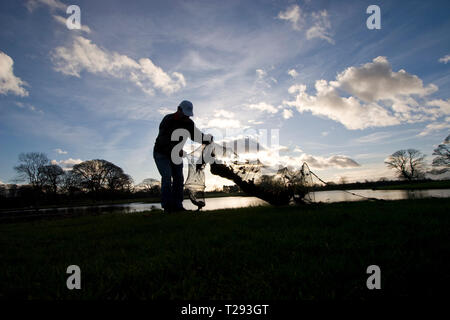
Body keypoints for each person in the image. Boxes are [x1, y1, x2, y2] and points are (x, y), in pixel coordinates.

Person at [153, 100, 212, 213]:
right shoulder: (168, 120)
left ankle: (178, 206)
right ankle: (167, 207)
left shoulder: (189, 123)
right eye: (185, 115)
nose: (186, 117)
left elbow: (196, 135)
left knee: (179, 179)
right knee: (167, 177)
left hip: (175, 155)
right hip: (161, 153)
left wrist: (206, 138)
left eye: (188, 115)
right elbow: (163, 140)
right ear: (178, 109)